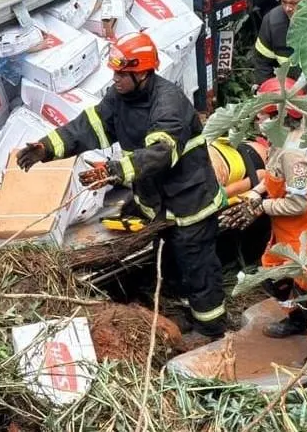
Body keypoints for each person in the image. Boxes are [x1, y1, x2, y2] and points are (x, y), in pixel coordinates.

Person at [16, 32, 227, 338]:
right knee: (171, 264)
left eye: (121, 73)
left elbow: (160, 154)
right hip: (160, 204)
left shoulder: (169, 104)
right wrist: (46, 148)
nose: (114, 79)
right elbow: (88, 127)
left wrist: (114, 171)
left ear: (141, 73)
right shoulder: (120, 98)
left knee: (198, 267)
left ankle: (211, 328)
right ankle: (186, 314)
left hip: (190, 203)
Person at [219, 78, 307, 365]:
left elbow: (298, 203)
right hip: (286, 232)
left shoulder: (298, 156)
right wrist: (255, 195)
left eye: (262, 114)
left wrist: (261, 206)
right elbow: (272, 179)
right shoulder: (279, 142)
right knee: (273, 277)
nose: (257, 120)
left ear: (280, 116)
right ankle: (296, 319)